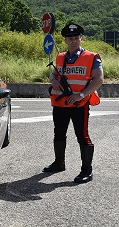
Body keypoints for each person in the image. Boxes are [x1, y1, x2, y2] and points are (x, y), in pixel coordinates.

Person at [43, 23, 104, 183]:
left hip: (80, 104)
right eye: (70, 38)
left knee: (82, 136)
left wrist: (81, 94)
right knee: (59, 133)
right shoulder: (60, 57)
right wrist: (53, 81)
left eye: (76, 38)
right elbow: (53, 74)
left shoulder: (92, 57)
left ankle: (86, 170)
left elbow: (99, 79)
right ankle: (59, 163)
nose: (73, 41)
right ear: (65, 40)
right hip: (60, 104)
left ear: (81, 39)